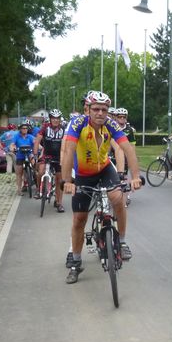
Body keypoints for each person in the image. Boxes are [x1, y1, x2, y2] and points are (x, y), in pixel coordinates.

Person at [61, 91, 142, 284]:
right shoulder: (77, 124)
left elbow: (127, 148)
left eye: (104, 109)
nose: (100, 113)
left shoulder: (111, 125)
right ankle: (76, 262)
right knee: (79, 219)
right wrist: (67, 181)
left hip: (104, 169)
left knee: (118, 198)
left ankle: (121, 242)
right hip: (83, 174)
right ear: (87, 109)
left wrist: (136, 177)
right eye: (96, 109)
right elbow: (68, 150)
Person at [33, 109, 65, 211]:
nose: (56, 120)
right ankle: (38, 190)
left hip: (59, 156)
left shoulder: (64, 129)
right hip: (47, 155)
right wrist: (34, 154)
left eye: (57, 118)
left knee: (60, 180)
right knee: (41, 171)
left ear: (60, 119)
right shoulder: (44, 128)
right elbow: (37, 141)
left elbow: (67, 144)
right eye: (54, 118)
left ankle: (59, 203)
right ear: (50, 119)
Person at [10, 123, 36, 196]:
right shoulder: (16, 136)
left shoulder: (30, 136)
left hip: (29, 154)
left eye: (26, 128)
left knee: (35, 166)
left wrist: (39, 147)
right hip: (20, 155)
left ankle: (35, 178)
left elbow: (36, 143)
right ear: (20, 129)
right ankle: (19, 189)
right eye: (23, 128)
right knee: (19, 173)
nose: (25, 130)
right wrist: (12, 148)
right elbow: (12, 144)